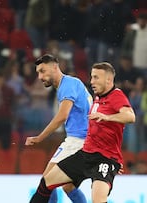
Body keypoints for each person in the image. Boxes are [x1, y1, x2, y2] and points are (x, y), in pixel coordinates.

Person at [29, 62, 136, 203]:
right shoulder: (98, 97)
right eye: (92, 77)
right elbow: (96, 130)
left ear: (108, 80)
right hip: (86, 155)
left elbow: (130, 116)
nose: (92, 81)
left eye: (96, 77)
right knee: (47, 182)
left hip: (104, 159)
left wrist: (108, 118)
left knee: (98, 200)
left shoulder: (116, 95)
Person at [25, 54, 92, 203]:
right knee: (67, 186)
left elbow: (62, 116)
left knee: (47, 181)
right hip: (85, 139)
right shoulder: (71, 83)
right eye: (38, 73)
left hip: (78, 141)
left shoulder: (67, 85)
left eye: (43, 71)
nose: (40, 76)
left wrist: (39, 138)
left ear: (55, 67)